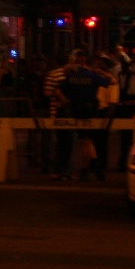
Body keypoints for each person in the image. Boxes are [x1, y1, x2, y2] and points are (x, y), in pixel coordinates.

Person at [56, 49, 111, 180]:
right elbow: (110, 82)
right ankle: (89, 168)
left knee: (84, 141)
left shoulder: (72, 76)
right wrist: (101, 72)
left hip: (77, 110)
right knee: (87, 140)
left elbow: (59, 90)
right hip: (91, 110)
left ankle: (90, 167)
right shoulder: (92, 76)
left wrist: (66, 102)